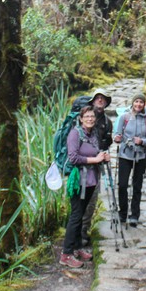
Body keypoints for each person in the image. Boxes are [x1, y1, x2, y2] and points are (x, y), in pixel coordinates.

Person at [61, 106, 110, 268]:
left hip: (90, 180)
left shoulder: (93, 133)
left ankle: (77, 248)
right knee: (76, 215)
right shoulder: (75, 134)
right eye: (87, 116)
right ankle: (66, 254)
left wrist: (102, 157)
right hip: (78, 182)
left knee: (81, 214)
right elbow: (73, 157)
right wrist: (94, 160)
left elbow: (94, 152)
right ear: (81, 119)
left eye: (92, 116)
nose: (90, 119)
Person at [114, 93, 146, 227]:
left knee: (137, 186)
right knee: (122, 185)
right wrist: (117, 138)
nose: (138, 104)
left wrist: (142, 141)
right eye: (136, 101)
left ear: (144, 104)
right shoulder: (124, 117)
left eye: (141, 102)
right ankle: (122, 213)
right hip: (125, 155)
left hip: (141, 156)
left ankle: (134, 215)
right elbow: (116, 133)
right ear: (132, 103)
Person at [81, 90, 113, 245]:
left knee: (92, 198)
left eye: (103, 99)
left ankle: (84, 230)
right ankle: (77, 232)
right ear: (92, 101)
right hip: (82, 166)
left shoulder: (107, 122)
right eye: (98, 98)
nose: (100, 101)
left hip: (97, 166)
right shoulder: (85, 117)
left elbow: (108, 141)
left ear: (106, 102)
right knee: (80, 199)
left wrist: (105, 152)